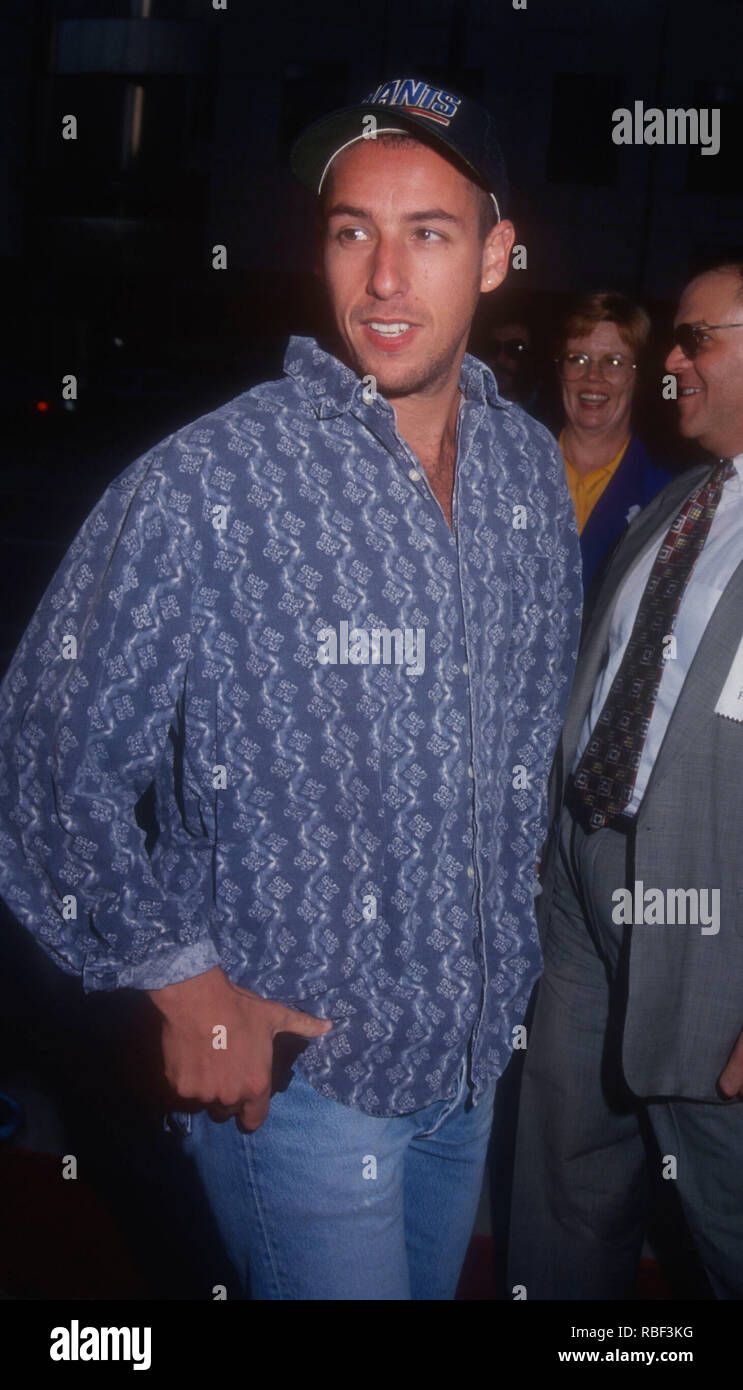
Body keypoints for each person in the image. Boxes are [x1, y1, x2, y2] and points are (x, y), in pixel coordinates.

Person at [0, 76, 581, 1300]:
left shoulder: (529, 477)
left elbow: (523, 746)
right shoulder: (213, 478)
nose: (381, 277)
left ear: (494, 256)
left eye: (426, 232)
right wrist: (182, 980)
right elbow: (48, 747)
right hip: (302, 1079)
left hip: (467, 1065)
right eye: (350, 230)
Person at [508, 261, 743, 1300]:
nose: (671, 365)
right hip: (583, 875)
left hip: (714, 926)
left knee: (720, 1209)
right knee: (564, 1179)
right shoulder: (684, 502)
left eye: (694, 340)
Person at [555, 292, 673, 593]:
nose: (593, 377)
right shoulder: (513, 470)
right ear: (560, 369)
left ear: (638, 377)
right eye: (577, 359)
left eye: (615, 362)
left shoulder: (666, 496)